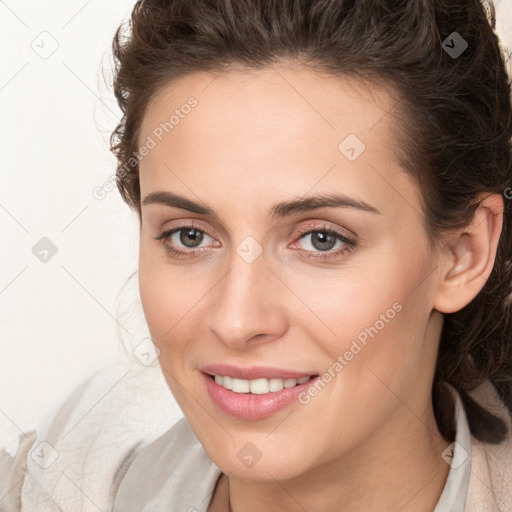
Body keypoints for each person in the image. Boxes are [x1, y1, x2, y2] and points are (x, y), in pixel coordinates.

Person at [2, 0, 512, 511]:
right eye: (190, 236)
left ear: (463, 254)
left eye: (321, 239)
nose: (237, 320)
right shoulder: (68, 471)